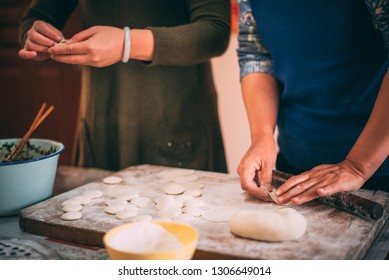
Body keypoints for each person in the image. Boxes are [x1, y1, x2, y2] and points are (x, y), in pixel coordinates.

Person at [18, 0, 230, 173]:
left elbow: (214, 32)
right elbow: (38, 15)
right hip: (102, 117)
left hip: (175, 117)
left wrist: (127, 43)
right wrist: (34, 35)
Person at [236, 0, 389, 205]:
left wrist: (357, 166)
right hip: (294, 164)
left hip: (377, 171)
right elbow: (256, 56)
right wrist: (262, 137)